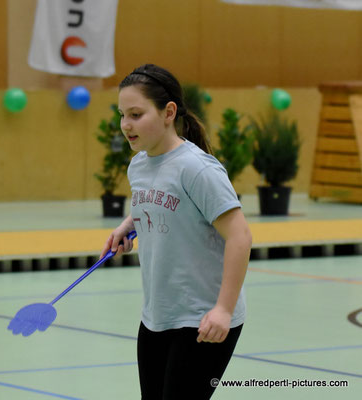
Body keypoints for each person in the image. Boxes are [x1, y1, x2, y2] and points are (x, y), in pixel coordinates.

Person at [100, 64, 252, 399]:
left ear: (169, 112)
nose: (126, 125)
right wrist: (129, 224)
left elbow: (240, 236)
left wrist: (223, 310)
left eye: (136, 114)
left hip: (202, 318)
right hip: (157, 314)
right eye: (122, 114)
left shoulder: (197, 169)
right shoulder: (139, 163)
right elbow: (156, 201)